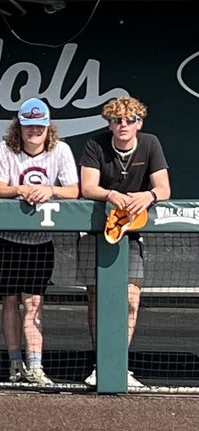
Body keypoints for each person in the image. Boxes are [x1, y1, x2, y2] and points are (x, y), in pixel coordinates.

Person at [78, 96, 169, 388]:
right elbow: (88, 186)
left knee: (131, 299)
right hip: (96, 232)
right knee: (98, 297)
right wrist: (110, 194)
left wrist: (149, 196)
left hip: (132, 232)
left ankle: (120, 364)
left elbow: (164, 188)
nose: (123, 125)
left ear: (139, 123)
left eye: (130, 120)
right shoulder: (97, 145)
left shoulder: (150, 144)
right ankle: (100, 364)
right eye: (117, 120)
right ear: (110, 123)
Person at [0, 97, 79, 385]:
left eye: (39, 126)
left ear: (48, 126)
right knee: (10, 301)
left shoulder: (60, 150)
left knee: (34, 302)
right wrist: (21, 189)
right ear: (20, 126)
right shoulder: (6, 149)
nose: (34, 131)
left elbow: (75, 190)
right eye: (29, 126)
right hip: (6, 237)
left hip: (40, 240)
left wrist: (49, 190)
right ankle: (14, 362)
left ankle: (35, 365)